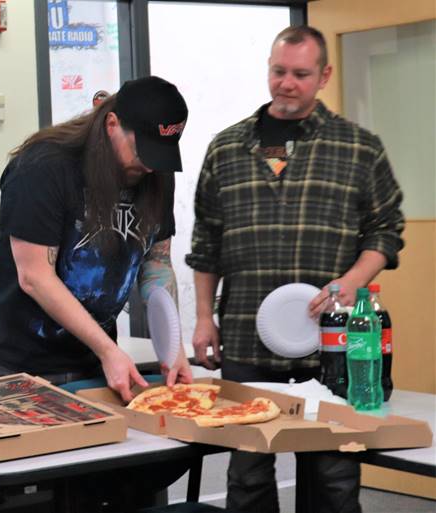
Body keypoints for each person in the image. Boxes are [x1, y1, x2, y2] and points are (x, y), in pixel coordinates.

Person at [187, 25, 404, 513]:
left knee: (334, 476)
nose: (286, 83)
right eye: (278, 71)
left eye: (300, 74)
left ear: (324, 75)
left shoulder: (358, 149)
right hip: (246, 339)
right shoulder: (227, 148)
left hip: (330, 342)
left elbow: (385, 233)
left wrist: (349, 284)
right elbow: (207, 244)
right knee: (247, 478)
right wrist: (204, 317)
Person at [0, 76, 194, 513]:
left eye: (160, 156)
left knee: (91, 480)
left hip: (86, 356)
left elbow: (155, 262)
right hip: (14, 358)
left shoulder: (156, 174)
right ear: (111, 124)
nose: (148, 164)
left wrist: (172, 345)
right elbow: (35, 277)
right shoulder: (46, 166)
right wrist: (108, 349)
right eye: (140, 149)